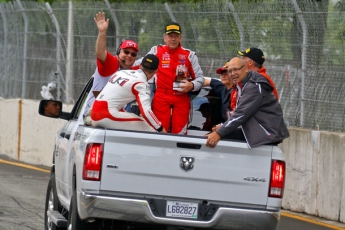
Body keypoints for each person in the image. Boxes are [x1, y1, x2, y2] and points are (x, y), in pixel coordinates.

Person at [206, 57, 289, 148]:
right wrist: (222, 127)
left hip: (266, 133)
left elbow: (241, 114)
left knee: (218, 137)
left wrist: (219, 133)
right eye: (230, 71)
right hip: (255, 131)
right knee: (214, 136)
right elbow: (239, 114)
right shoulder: (242, 85)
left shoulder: (254, 86)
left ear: (245, 68)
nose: (233, 74)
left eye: (236, 70)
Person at [144, 22, 204, 134]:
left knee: (180, 134)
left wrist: (192, 85)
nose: (173, 39)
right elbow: (140, 65)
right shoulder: (156, 51)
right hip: (161, 96)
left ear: (180, 37)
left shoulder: (189, 55)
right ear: (165, 38)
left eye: (176, 36)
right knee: (159, 132)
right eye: (170, 36)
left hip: (181, 97)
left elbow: (200, 78)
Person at [83, 12, 140, 125]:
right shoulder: (112, 64)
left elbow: (151, 64)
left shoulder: (134, 71)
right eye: (126, 52)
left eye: (133, 54)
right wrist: (102, 32)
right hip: (94, 116)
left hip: (114, 118)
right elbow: (100, 52)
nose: (129, 56)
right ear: (118, 52)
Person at [90, 54, 166, 133]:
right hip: (106, 115)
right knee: (152, 129)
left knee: (136, 120)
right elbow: (146, 112)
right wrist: (161, 129)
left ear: (140, 65)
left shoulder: (121, 72)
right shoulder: (141, 83)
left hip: (93, 113)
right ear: (156, 70)